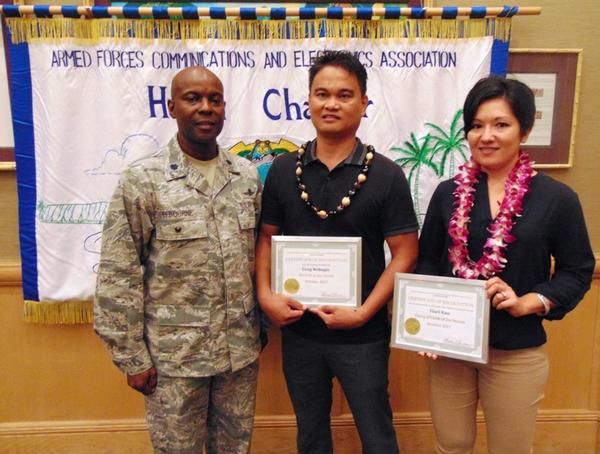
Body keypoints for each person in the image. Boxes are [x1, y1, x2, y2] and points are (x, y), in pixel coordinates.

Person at [416, 76, 595, 454]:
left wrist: (531, 301)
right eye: (476, 126)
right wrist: (427, 325)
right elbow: (427, 261)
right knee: (451, 444)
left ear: (524, 130)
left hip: (517, 350)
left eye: (501, 124)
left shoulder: (557, 199)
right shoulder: (448, 194)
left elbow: (577, 270)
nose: (486, 136)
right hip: (450, 350)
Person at [255, 50, 419, 454]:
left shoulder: (385, 174)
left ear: (364, 103)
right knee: (310, 435)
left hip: (362, 333)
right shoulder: (281, 170)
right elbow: (265, 239)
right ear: (307, 99)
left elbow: (405, 253)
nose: (331, 104)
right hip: (299, 331)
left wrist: (363, 312)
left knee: (377, 434)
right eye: (321, 93)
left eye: (344, 95)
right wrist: (265, 296)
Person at [94, 66, 262, 453]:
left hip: (239, 355)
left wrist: (260, 327)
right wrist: (131, 356)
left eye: (214, 100)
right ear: (172, 107)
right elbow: (118, 272)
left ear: (224, 109)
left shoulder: (246, 177)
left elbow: (258, 261)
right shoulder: (143, 180)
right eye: (193, 99)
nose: (206, 108)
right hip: (174, 361)